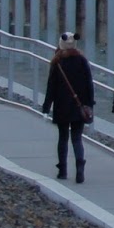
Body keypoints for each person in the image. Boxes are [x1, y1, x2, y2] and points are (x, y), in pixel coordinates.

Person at [41, 32, 95, 184]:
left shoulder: (57, 62)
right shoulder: (82, 61)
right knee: (77, 138)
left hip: (62, 106)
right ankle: (79, 167)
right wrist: (89, 104)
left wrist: (46, 107)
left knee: (63, 137)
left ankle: (63, 170)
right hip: (79, 106)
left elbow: (51, 87)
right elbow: (89, 84)